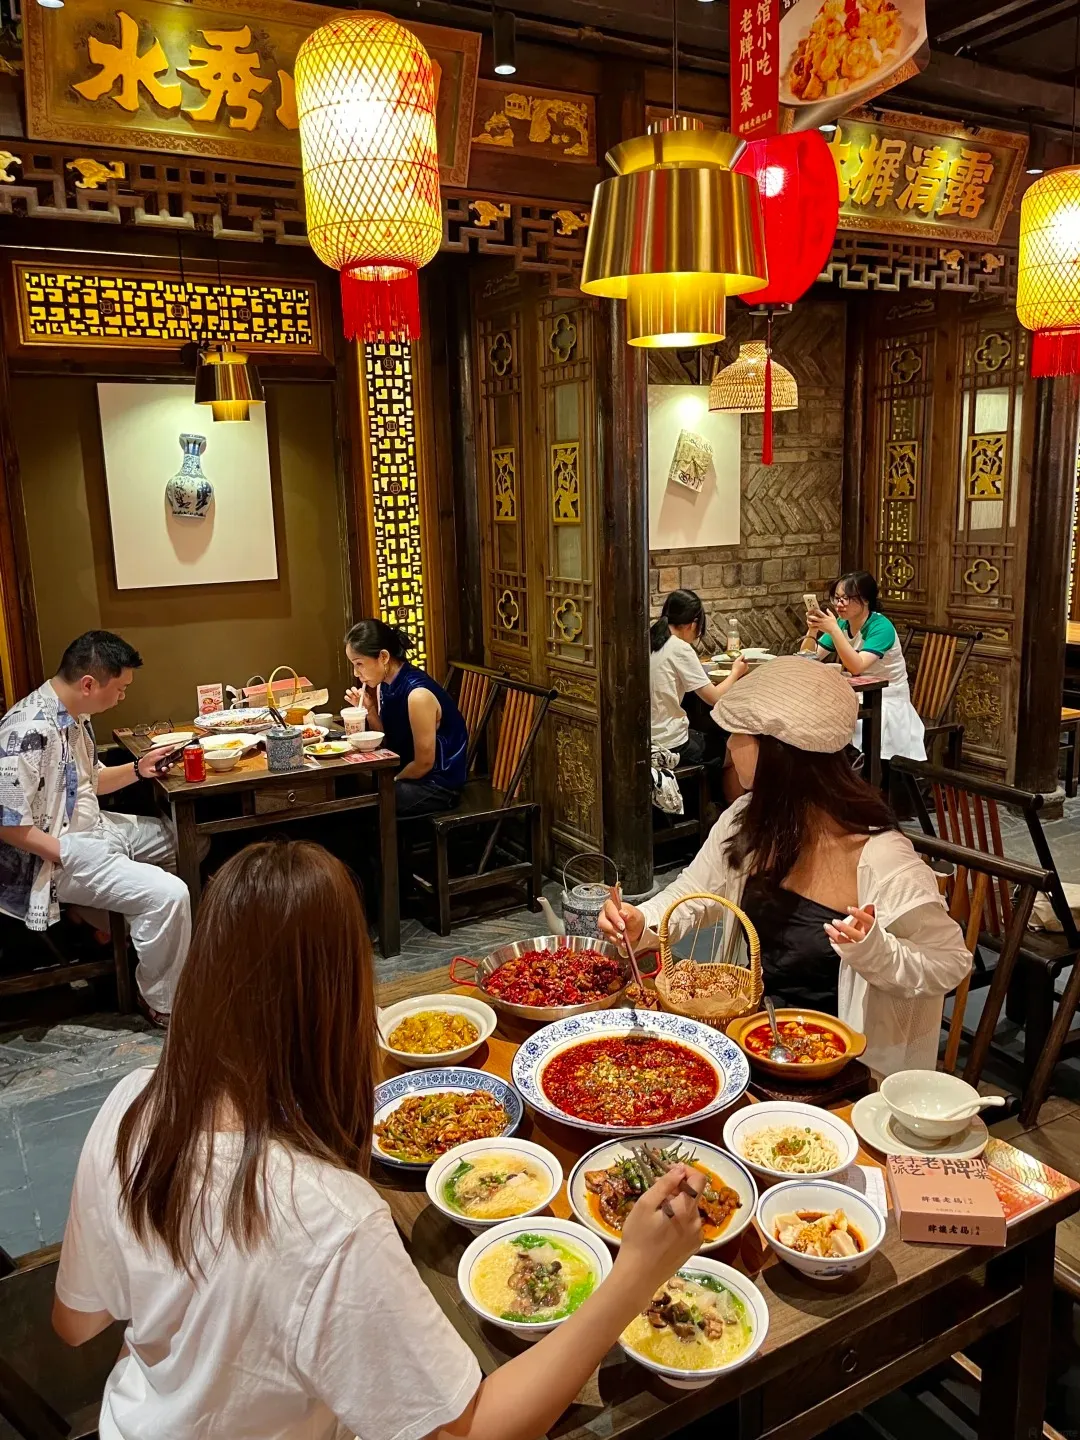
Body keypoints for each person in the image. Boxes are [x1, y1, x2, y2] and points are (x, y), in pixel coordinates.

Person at [53, 840, 706, 1440]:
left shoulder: (134, 1102)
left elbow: (76, 1321)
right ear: (340, 998)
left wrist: (197, 1336)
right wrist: (636, 1274)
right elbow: (467, 1433)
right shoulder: (327, 1215)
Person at [600, 659, 970, 1075]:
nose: (730, 747)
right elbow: (694, 890)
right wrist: (642, 919)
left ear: (778, 752)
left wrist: (875, 951)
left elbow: (949, 963)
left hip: (842, 1069)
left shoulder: (882, 858)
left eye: (739, 735)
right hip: (754, 1039)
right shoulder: (749, 817)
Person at [0, 631, 190, 1023]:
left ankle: (118, 925)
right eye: (120, 688)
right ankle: (162, 1001)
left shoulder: (74, 715)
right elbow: (6, 823)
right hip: (54, 854)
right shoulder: (27, 729)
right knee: (169, 895)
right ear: (89, 684)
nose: (122, 697)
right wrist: (67, 853)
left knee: (185, 842)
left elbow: (89, 782)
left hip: (96, 828)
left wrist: (139, 769)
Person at [345, 619, 468, 816]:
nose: (356, 672)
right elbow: (386, 742)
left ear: (383, 656)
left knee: (369, 803)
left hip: (438, 784)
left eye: (359, 664)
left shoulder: (417, 695)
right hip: (411, 775)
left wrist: (392, 780)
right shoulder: (384, 683)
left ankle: (389, 847)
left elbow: (424, 763)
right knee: (351, 788)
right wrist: (370, 711)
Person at [802, 571, 926, 763]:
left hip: (886, 699)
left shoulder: (881, 627)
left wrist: (834, 630)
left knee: (837, 725)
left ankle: (857, 776)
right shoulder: (842, 623)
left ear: (866, 600)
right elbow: (807, 659)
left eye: (847, 598)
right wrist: (813, 629)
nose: (839, 604)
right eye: (837, 598)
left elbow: (856, 667)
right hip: (854, 695)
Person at [650, 589, 748, 766]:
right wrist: (736, 672)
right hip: (670, 745)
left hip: (647, 739)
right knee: (735, 752)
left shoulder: (650, 638)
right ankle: (722, 795)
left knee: (705, 733)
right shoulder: (680, 647)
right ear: (693, 624)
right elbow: (715, 698)